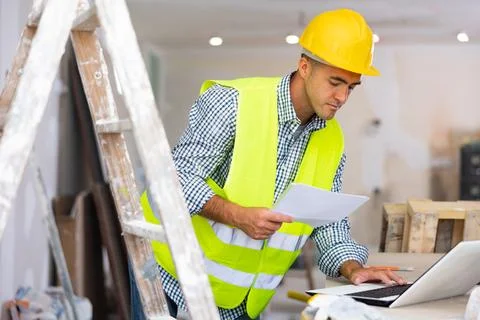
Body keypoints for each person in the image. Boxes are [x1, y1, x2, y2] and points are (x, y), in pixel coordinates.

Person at [135, 8, 406, 320]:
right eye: (335, 82)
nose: (342, 96)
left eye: (351, 87)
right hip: (168, 271)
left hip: (240, 298)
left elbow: (328, 222)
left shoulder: (331, 139)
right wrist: (236, 215)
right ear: (304, 67)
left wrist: (354, 268)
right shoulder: (232, 103)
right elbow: (174, 178)